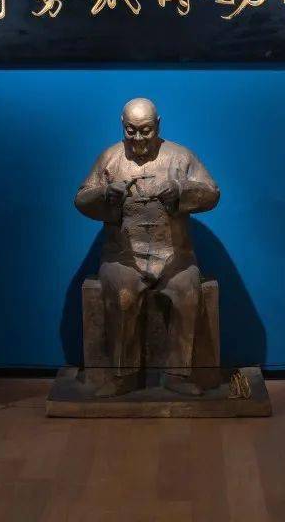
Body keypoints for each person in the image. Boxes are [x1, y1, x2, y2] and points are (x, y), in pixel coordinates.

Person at [74, 98, 220, 396]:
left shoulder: (180, 157)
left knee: (187, 293)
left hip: (174, 257)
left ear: (158, 125)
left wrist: (181, 191)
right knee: (123, 297)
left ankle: (177, 375)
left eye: (146, 130)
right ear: (122, 126)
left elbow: (212, 193)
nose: (138, 139)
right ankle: (122, 376)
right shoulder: (110, 158)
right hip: (123, 257)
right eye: (131, 131)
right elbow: (82, 199)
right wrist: (106, 194)